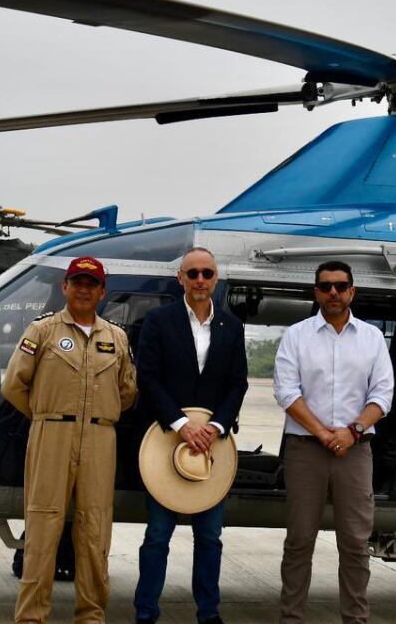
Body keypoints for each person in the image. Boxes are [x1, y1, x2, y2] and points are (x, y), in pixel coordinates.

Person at [0, 256, 138, 624]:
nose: (83, 288)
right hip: (51, 435)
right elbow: (13, 385)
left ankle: (91, 616)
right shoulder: (42, 331)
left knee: (95, 529)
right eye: (76, 281)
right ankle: (31, 616)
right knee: (43, 527)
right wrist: (47, 415)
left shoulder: (116, 338)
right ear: (65, 287)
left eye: (91, 284)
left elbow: (127, 392)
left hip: (99, 437)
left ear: (102, 291)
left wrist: (97, 415)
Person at [273, 261, 394, 624]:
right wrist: (324, 433)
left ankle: (355, 618)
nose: (333, 293)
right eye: (325, 287)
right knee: (299, 540)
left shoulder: (372, 338)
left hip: (355, 452)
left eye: (340, 286)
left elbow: (383, 394)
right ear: (316, 292)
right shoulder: (296, 335)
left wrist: (353, 431)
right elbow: (286, 391)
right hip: (306, 450)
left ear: (352, 291)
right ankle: (291, 617)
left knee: (356, 543)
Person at [133, 247, 248, 624]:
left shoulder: (232, 327)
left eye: (207, 274)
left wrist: (214, 427)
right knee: (157, 536)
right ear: (180, 278)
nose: (200, 280)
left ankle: (208, 613)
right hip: (166, 441)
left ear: (216, 279)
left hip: (212, 447)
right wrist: (182, 424)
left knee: (210, 538)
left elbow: (237, 383)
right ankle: (146, 611)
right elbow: (147, 377)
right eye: (193, 273)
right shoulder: (158, 321)